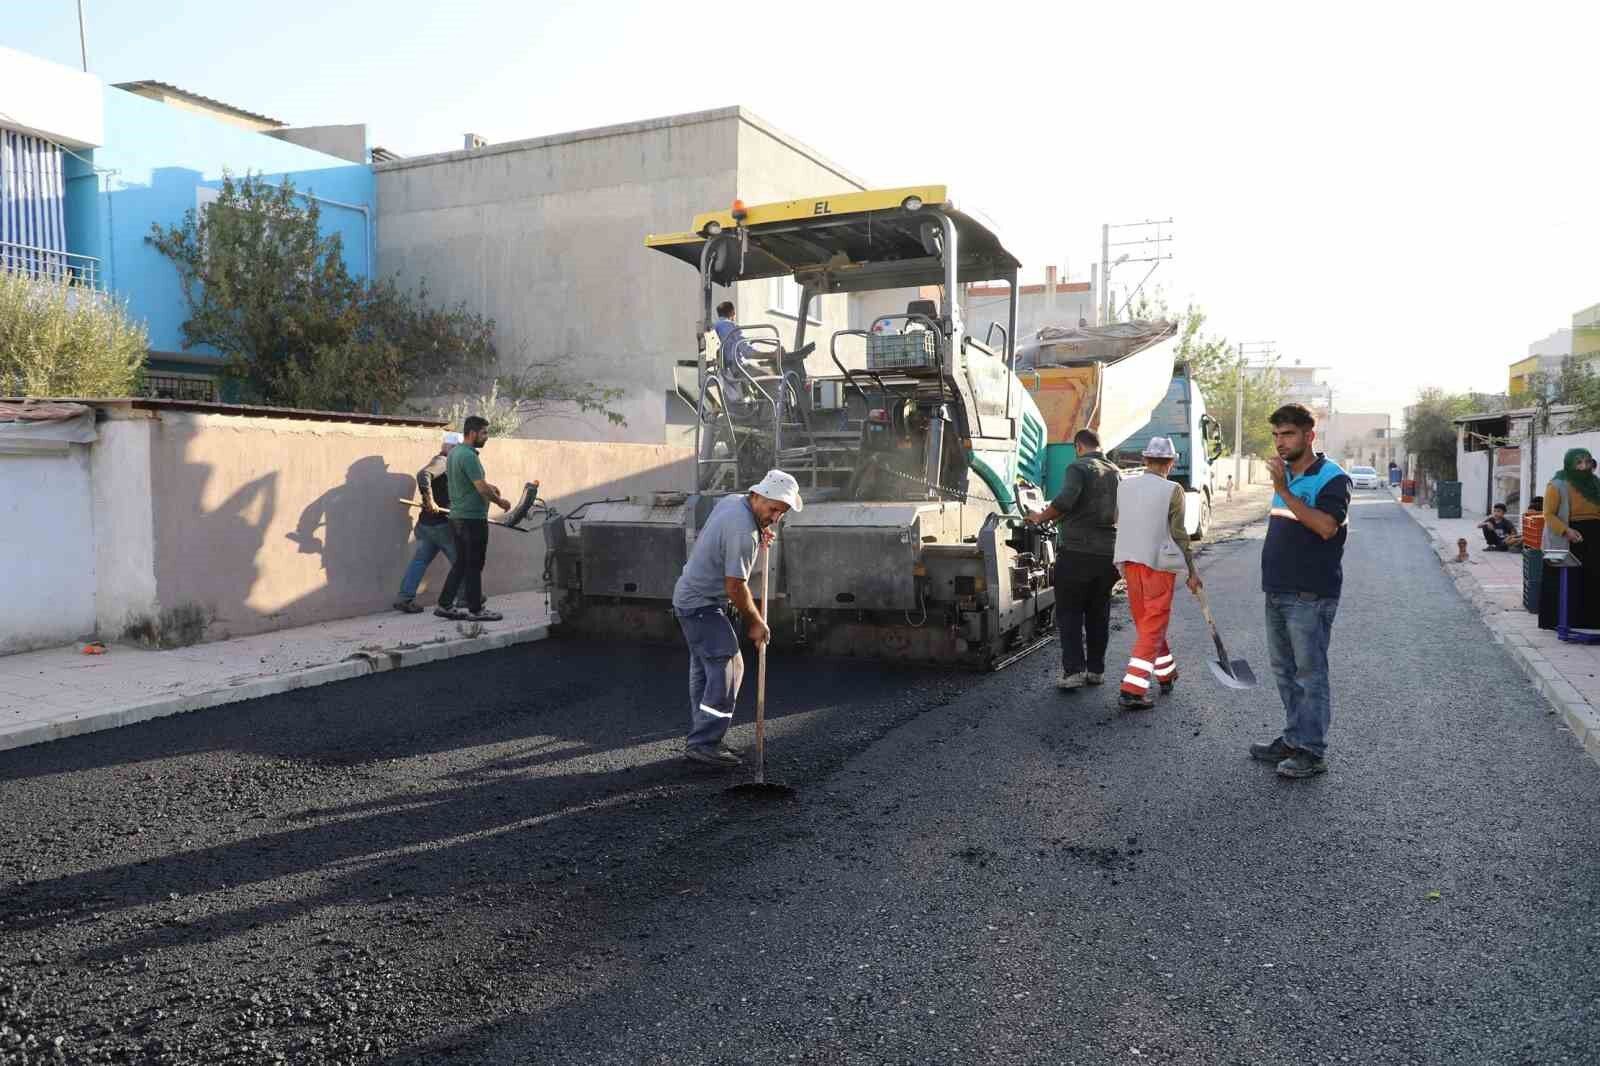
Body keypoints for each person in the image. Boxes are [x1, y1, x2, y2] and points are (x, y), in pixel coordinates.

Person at [671, 470, 802, 767]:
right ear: (758, 496)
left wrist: (759, 526)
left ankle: (703, 736)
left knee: (706, 671)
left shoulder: (733, 502)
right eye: (772, 510)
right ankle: (704, 743)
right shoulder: (745, 532)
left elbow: (727, 533)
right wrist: (756, 622)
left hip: (692, 597)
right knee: (731, 666)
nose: (775, 518)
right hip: (699, 604)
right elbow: (735, 586)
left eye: (780, 513)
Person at [1250, 403, 1351, 780]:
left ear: (1310, 435)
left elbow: (1326, 526)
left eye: (1288, 434)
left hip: (1310, 594)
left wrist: (1281, 489)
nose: (1280, 442)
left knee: (1310, 674)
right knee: (1285, 671)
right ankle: (1294, 739)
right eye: (1276, 435)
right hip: (1277, 589)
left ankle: (1312, 751)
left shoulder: (1332, 478)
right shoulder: (1287, 474)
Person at [1111, 437, 1202, 710]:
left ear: (1145, 459)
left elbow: (1119, 519)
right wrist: (1191, 571)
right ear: (1171, 463)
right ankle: (1133, 688)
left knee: (1147, 624)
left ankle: (1165, 673)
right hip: (1157, 564)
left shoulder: (1124, 486)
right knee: (1153, 624)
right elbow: (1178, 534)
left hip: (1129, 562)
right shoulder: (1173, 489)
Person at [1026, 428, 1121, 691]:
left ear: (1078, 446)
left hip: (1078, 553)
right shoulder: (1115, 471)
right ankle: (1096, 670)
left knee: (1069, 613)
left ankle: (1073, 672)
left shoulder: (1078, 467)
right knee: (1098, 613)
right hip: (1108, 555)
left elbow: (1066, 501)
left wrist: (1040, 517)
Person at [435, 416, 511, 623]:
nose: (486, 437)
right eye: (484, 433)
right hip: (471, 519)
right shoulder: (468, 455)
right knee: (474, 564)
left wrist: (489, 487)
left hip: (458, 517)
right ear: (473, 433)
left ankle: (444, 605)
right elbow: (479, 487)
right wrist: (500, 501)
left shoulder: (454, 453)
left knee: (461, 563)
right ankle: (476, 610)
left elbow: (470, 483)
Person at [394, 432, 462, 613]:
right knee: (461, 561)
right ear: (451, 447)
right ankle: (466, 598)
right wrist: (429, 499)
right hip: (441, 525)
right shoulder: (443, 461)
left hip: (427, 525)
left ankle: (405, 598)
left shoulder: (451, 464)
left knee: (420, 561)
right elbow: (423, 474)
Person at [1538, 449, 1600, 632]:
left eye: (1587, 462)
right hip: (1569, 534)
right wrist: (1566, 531)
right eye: (1579, 463)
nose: (1584, 467)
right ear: (1569, 464)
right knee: (1567, 578)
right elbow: (1548, 514)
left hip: (1595, 534)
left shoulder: (1595, 484)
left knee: (1592, 577)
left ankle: (1590, 620)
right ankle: (1561, 621)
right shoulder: (1557, 484)